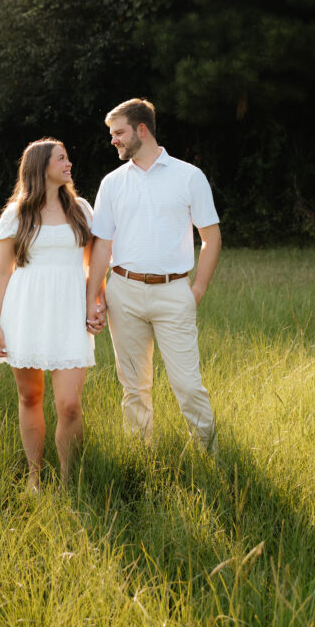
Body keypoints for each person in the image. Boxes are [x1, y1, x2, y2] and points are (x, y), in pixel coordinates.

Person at [86, 98, 221, 451]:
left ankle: (209, 453)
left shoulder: (188, 176)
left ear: (141, 129)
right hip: (123, 293)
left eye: (118, 132)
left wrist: (198, 290)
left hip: (174, 292)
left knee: (187, 384)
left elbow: (211, 238)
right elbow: (101, 245)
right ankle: (140, 456)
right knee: (133, 386)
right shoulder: (112, 183)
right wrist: (93, 297)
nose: (113, 140)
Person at [0, 138, 99, 489]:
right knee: (30, 396)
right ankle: (35, 479)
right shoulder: (16, 214)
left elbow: (93, 263)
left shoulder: (81, 208)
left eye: (67, 157)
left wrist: (97, 302)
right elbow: (2, 271)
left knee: (69, 405)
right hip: (26, 311)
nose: (69, 164)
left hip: (70, 312)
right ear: (40, 168)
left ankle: (69, 482)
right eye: (61, 159)